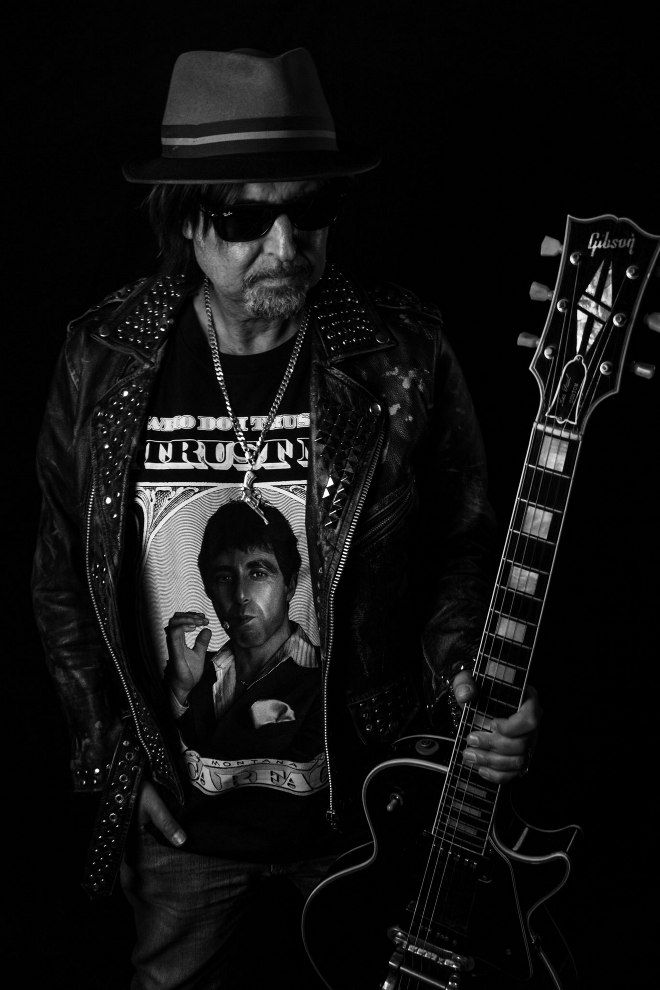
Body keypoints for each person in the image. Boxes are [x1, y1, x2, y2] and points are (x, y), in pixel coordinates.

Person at [32, 47, 540, 988]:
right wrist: (111, 762)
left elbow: (459, 543)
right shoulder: (101, 361)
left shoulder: (400, 354)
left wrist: (470, 679)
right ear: (186, 221)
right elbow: (62, 577)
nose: (286, 245)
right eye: (245, 219)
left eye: (311, 211)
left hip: (369, 807)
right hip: (184, 824)